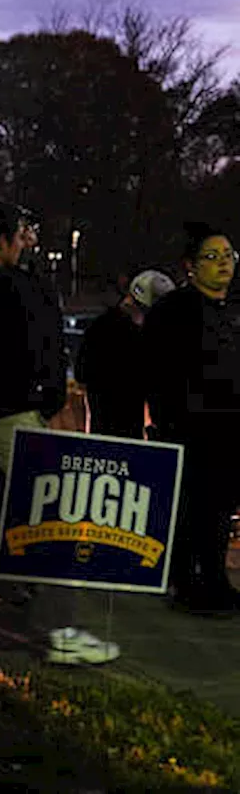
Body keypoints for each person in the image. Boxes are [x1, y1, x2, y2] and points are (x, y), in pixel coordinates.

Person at [0, 197, 119, 666]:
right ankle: (64, 632)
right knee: (53, 524)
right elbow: (50, 351)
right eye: (19, 233)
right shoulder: (27, 288)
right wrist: (50, 404)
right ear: (3, 238)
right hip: (17, 420)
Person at [143, 222, 240, 614]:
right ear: (190, 266)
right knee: (190, 510)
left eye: (228, 256)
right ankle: (186, 584)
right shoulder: (172, 312)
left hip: (230, 428)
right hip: (188, 428)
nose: (223, 264)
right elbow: (156, 371)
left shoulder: (232, 310)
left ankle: (215, 579)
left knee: (219, 509)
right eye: (212, 257)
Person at [76, 269, 175, 439]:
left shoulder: (99, 327)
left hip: (100, 436)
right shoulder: (141, 339)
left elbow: (81, 375)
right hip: (126, 436)